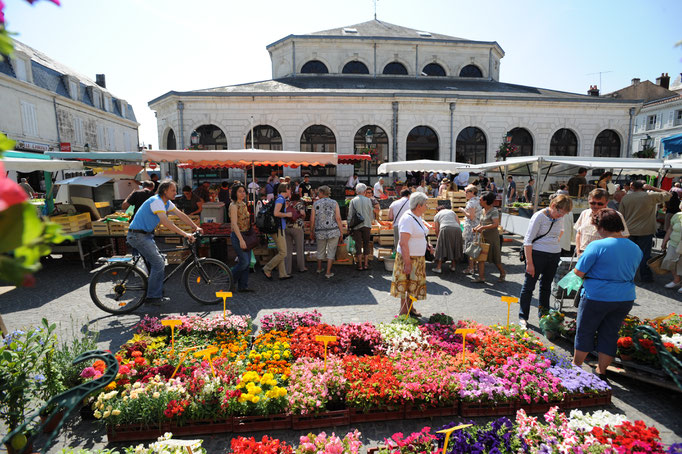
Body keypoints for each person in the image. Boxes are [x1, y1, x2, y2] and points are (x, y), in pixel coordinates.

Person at [571, 209, 642, 382]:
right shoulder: (635, 247)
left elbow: (578, 272)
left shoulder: (597, 245)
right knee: (610, 333)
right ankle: (602, 371)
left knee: (585, 331)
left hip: (597, 295)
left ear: (601, 227)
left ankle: (575, 367)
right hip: (624, 297)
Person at [126, 181, 201, 305]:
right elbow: (165, 222)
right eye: (173, 190)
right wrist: (185, 234)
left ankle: (155, 289)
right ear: (165, 191)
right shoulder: (157, 201)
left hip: (146, 235)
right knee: (159, 264)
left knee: (158, 260)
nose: (176, 193)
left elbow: (180, 214)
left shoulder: (166, 203)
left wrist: (195, 227)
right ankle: (152, 296)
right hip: (138, 236)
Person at [517, 194, 573, 327]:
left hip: (553, 254)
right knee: (529, 286)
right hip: (537, 254)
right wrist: (530, 263)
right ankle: (523, 316)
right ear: (553, 206)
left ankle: (544, 315)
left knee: (546, 286)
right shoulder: (539, 216)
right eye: (560, 213)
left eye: (565, 214)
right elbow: (528, 240)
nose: (561, 216)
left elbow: (562, 231)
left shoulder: (560, 217)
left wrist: (554, 243)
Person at [619, 180, 671, 283]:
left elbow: (621, 215)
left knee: (628, 254)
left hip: (629, 230)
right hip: (645, 230)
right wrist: (653, 188)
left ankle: (626, 276)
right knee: (645, 255)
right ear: (644, 187)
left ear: (632, 187)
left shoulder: (626, 198)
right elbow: (668, 194)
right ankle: (645, 276)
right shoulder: (650, 196)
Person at [391, 192, 432, 317]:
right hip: (408, 258)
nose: (427, 207)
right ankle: (404, 312)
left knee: (413, 286)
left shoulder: (417, 216)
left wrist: (426, 245)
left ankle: (411, 308)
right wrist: (407, 263)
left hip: (418, 258)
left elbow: (420, 234)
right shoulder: (407, 218)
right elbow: (403, 243)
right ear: (419, 205)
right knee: (406, 285)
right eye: (425, 204)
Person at [575, 189, 629, 256]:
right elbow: (579, 233)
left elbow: (624, 236)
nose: (596, 206)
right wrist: (578, 251)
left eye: (600, 204)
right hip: (584, 252)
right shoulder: (584, 213)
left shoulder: (616, 215)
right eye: (592, 203)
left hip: (604, 254)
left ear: (607, 202)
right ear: (588, 201)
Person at [472, 191, 506, 284]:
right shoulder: (483, 210)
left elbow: (495, 224)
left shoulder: (494, 211)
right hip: (483, 236)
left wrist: (482, 227)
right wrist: (476, 228)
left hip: (492, 237)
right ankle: (481, 277)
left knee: (495, 258)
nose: (479, 200)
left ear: (486, 201)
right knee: (481, 257)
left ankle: (502, 273)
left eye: (480, 199)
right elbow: (481, 223)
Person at [310, 185, 343, 278]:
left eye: (318, 192)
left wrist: (311, 231)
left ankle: (319, 268)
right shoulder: (334, 203)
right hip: (333, 231)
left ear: (321, 193)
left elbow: (312, 219)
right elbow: (338, 218)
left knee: (320, 250)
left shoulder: (316, 204)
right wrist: (341, 231)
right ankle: (328, 272)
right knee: (331, 252)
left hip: (320, 231)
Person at [262, 183, 293, 280]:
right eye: (290, 189)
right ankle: (267, 268)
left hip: (278, 228)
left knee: (281, 251)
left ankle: (282, 274)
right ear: (286, 189)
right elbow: (276, 213)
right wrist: (287, 215)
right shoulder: (280, 199)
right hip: (278, 229)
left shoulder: (280, 199)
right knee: (283, 252)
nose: (290, 191)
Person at [229, 184, 254, 293]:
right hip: (238, 236)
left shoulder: (243, 204)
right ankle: (230, 281)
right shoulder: (233, 206)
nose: (242, 193)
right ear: (235, 193)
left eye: (244, 191)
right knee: (244, 262)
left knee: (247, 262)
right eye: (240, 191)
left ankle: (243, 286)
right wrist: (241, 240)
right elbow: (234, 224)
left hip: (246, 235)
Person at [348, 183, 374, 271]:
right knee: (366, 244)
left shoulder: (353, 200)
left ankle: (359, 264)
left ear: (356, 191)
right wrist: (371, 221)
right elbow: (371, 213)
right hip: (367, 224)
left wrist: (349, 225)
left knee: (358, 245)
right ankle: (366, 264)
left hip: (356, 226)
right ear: (364, 191)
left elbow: (350, 215)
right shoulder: (368, 200)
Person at [432, 205, 463, 273]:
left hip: (445, 228)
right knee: (454, 247)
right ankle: (453, 266)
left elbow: (437, 230)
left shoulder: (437, 215)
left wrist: (438, 238)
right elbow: (458, 223)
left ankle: (439, 267)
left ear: (437, 211)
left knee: (441, 248)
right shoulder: (452, 212)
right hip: (457, 229)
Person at [460, 184, 482, 275]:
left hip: (471, 227)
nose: (465, 193)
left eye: (467, 192)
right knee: (475, 246)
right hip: (477, 226)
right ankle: (475, 266)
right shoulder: (478, 200)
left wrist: (462, 211)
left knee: (470, 247)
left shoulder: (471, 203)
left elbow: (471, 217)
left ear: (472, 192)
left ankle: (470, 268)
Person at [662, 201, 682, 293]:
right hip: (674, 243)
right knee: (669, 260)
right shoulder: (677, 215)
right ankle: (676, 279)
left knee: (681, 264)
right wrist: (664, 241)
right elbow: (670, 229)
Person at [285, 195, 307, 275]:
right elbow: (302, 213)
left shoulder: (287, 204)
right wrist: (303, 218)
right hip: (297, 228)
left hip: (287, 228)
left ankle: (287, 270)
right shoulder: (299, 204)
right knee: (299, 248)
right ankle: (301, 267)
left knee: (288, 250)